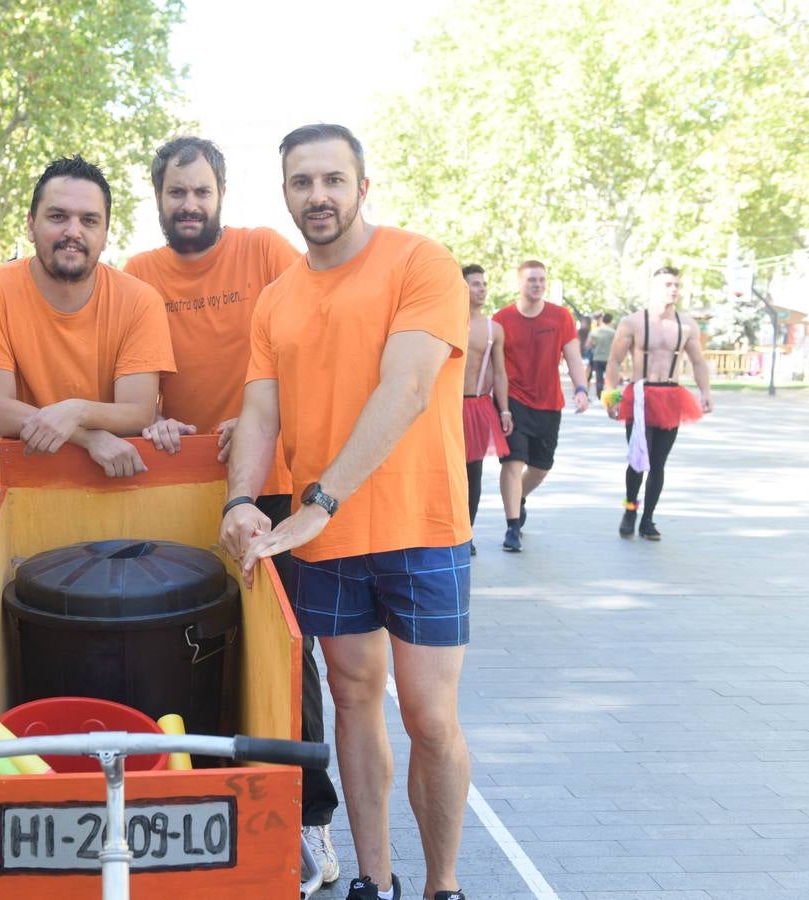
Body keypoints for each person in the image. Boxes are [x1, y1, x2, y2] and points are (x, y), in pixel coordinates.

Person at [221, 124, 470, 900]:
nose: (317, 195)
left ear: (363, 186)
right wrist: (237, 499)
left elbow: (405, 390)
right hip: (324, 540)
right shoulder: (276, 300)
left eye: (333, 180)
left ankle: (443, 884)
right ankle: (374, 879)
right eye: (302, 182)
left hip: (422, 527)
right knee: (354, 703)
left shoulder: (419, 264)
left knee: (429, 717)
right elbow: (259, 416)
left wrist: (321, 500)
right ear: (287, 192)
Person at [123, 136, 342, 886]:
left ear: (222, 195)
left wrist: (253, 423)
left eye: (201, 192)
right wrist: (149, 419)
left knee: (287, 652)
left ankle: (312, 821)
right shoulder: (136, 277)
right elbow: (134, 382)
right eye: (177, 194)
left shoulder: (265, 252)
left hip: (271, 485)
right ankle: (182, 797)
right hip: (177, 490)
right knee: (186, 644)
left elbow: (307, 350)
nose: (189, 205)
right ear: (158, 198)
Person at [0, 156, 174, 478]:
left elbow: (138, 412)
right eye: (58, 216)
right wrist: (87, 436)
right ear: (31, 225)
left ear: (106, 232)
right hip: (19, 483)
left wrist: (76, 410)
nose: (73, 232)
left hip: (112, 479)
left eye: (89, 220)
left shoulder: (139, 300)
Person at [604, 265, 713, 539]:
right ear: (654, 288)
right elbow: (615, 362)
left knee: (659, 462)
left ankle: (648, 519)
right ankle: (630, 510)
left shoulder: (686, 325)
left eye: (676, 285)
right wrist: (611, 397)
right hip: (640, 396)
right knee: (638, 460)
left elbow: (698, 362)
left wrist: (705, 393)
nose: (673, 289)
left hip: (671, 395)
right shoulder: (632, 322)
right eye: (667, 284)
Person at [492, 260, 590, 552]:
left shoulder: (560, 317)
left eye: (541, 280)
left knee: (541, 467)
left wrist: (581, 388)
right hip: (513, 400)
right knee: (513, 462)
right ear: (519, 282)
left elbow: (573, 357)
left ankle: (518, 498)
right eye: (531, 280)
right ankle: (512, 527)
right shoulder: (502, 319)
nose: (537, 284)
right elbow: (494, 366)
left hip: (549, 402)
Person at [460, 265, 511, 554]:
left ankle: (467, 533)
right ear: (462, 287)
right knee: (445, 474)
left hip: (478, 404)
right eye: (475, 284)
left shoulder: (494, 329)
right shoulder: (446, 320)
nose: (482, 289)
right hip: (447, 406)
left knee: (473, 473)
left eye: (484, 283)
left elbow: (500, 372)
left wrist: (504, 410)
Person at [587, 312, 616, 395]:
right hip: (609, 358)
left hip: (597, 357)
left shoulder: (595, 331)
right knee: (609, 379)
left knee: (599, 378)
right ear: (611, 321)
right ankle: (608, 396)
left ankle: (599, 396)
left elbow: (589, 344)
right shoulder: (613, 332)